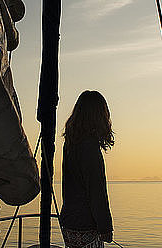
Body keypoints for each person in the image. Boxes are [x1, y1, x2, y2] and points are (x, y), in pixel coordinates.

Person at [60, 90, 114, 248]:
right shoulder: (90, 147)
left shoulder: (70, 143)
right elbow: (96, 191)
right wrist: (105, 227)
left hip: (69, 221)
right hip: (85, 224)